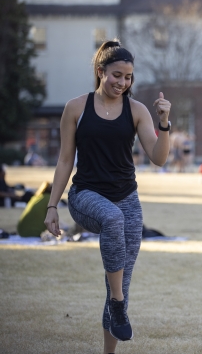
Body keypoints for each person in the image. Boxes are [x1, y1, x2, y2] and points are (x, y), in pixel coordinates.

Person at [43, 40, 171, 353]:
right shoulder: (76, 107)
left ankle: (111, 339)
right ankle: (117, 303)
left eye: (128, 78)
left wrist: (164, 123)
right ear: (101, 72)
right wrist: (51, 206)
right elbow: (64, 160)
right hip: (85, 195)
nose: (122, 83)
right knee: (113, 223)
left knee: (120, 283)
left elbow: (158, 157)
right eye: (117, 75)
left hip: (127, 197)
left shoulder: (137, 110)